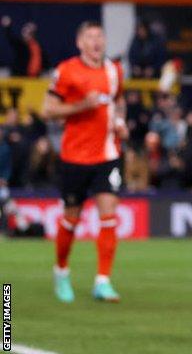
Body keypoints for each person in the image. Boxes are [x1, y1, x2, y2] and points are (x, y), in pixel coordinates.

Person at [41, 21, 128, 303]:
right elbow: (48, 110)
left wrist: (119, 122)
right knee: (71, 220)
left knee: (109, 217)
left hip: (107, 154)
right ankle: (61, 272)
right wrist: (81, 106)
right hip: (75, 157)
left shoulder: (114, 70)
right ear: (80, 43)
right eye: (90, 37)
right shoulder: (67, 71)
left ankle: (102, 281)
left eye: (100, 36)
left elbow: (119, 100)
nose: (96, 41)